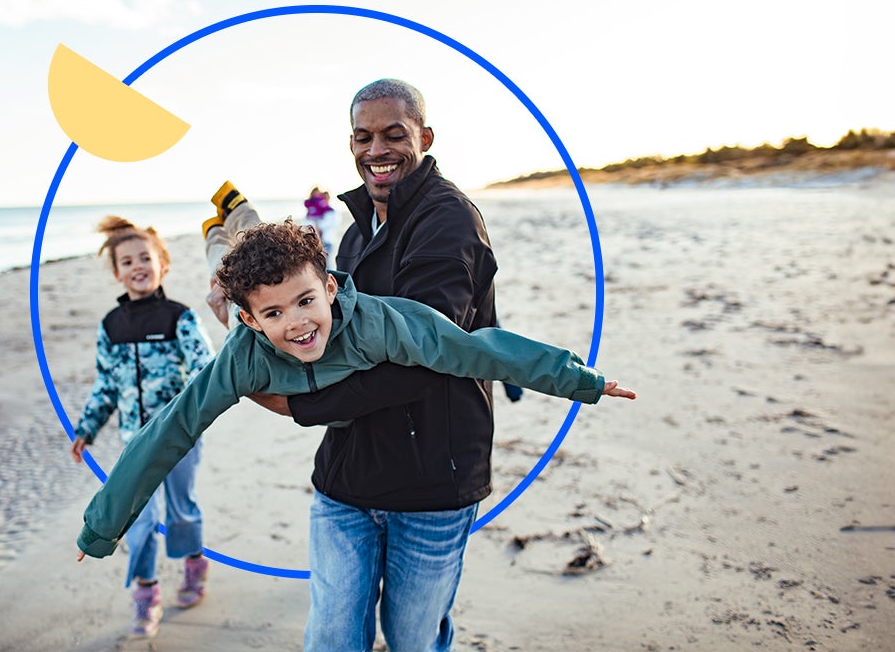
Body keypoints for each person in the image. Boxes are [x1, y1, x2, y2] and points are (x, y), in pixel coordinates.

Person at [73, 219, 635, 565]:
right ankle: (220, 230)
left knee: (257, 246)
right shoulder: (242, 351)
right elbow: (169, 430)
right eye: (273, 312)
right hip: (253, 334)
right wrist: (102, 527)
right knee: (220, 271)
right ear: (253, 320)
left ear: (332, 288)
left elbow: (477, 350)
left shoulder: (380, 324)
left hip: (317, 339)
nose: (297, 323)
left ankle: (235, 219)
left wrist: (576, 379)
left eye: (306, 302)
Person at [266, 78, 541, 651]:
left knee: (414, 639)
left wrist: (306, 406)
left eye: (394, 135)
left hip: (431, 483)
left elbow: (426, 355)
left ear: (425, 136)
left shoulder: (449, 221)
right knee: (334, 636)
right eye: (364, 137)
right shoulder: (355, 228)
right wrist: (254, 319)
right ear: (350, 143)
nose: (377, 150)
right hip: (347, 477)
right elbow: (328, 338)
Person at [70, 216, 215, 638]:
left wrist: (191, 414)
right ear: (117, 272)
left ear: (162, 264)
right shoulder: (111, 327)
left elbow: (205, 369)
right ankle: (145, 594)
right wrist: (87, 427)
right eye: (127, 260)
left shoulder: (179, 317)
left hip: (179, 438)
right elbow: (106, 385)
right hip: (135, 443)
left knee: (182, 508)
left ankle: (193, 564)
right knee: (140, 520)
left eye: (145, 258)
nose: (138, 266)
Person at [304, 186, 339, 259]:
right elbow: (307, 222)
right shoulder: (317, 210)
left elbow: (333, 224)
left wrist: (318, 226)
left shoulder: (331, 212)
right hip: (317, 240)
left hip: (327, 240)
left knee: (326, 261)